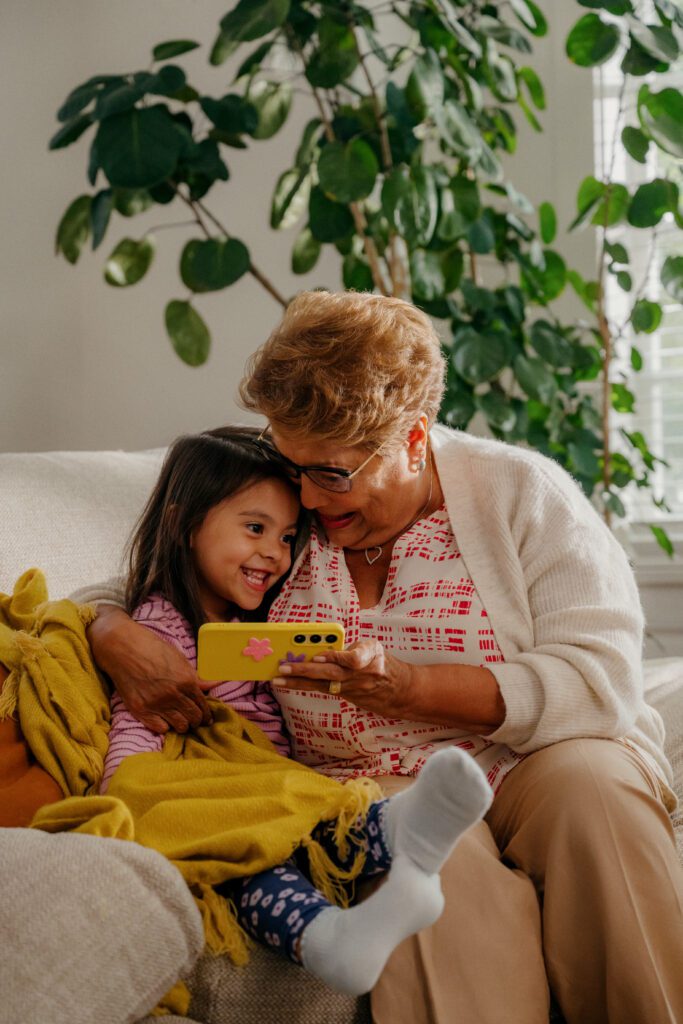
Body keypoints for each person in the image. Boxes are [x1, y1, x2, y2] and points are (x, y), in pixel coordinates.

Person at [86, 292, 683, 1024]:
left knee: (593, 796)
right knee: (429, 860)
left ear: (412, 439)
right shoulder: (289, 503)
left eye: (331, 474)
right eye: (290, 462)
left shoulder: (521, 494)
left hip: (540, 760)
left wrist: (413, 688)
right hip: (377, 784)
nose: (305, 495)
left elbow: (602, 680)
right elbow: (150, 572)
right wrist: (111, 632)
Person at [97, 424, 492, 997]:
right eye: (255, 529)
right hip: (204, 798)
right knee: (251, 857)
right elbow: (139, 729)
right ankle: (346, 910)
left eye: (286, 538)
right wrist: (127, 797)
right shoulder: (159, 631)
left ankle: (393, 832)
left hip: (260, 791)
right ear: (184, 524)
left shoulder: (257, 618)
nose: (273, 554)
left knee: (295, 825)